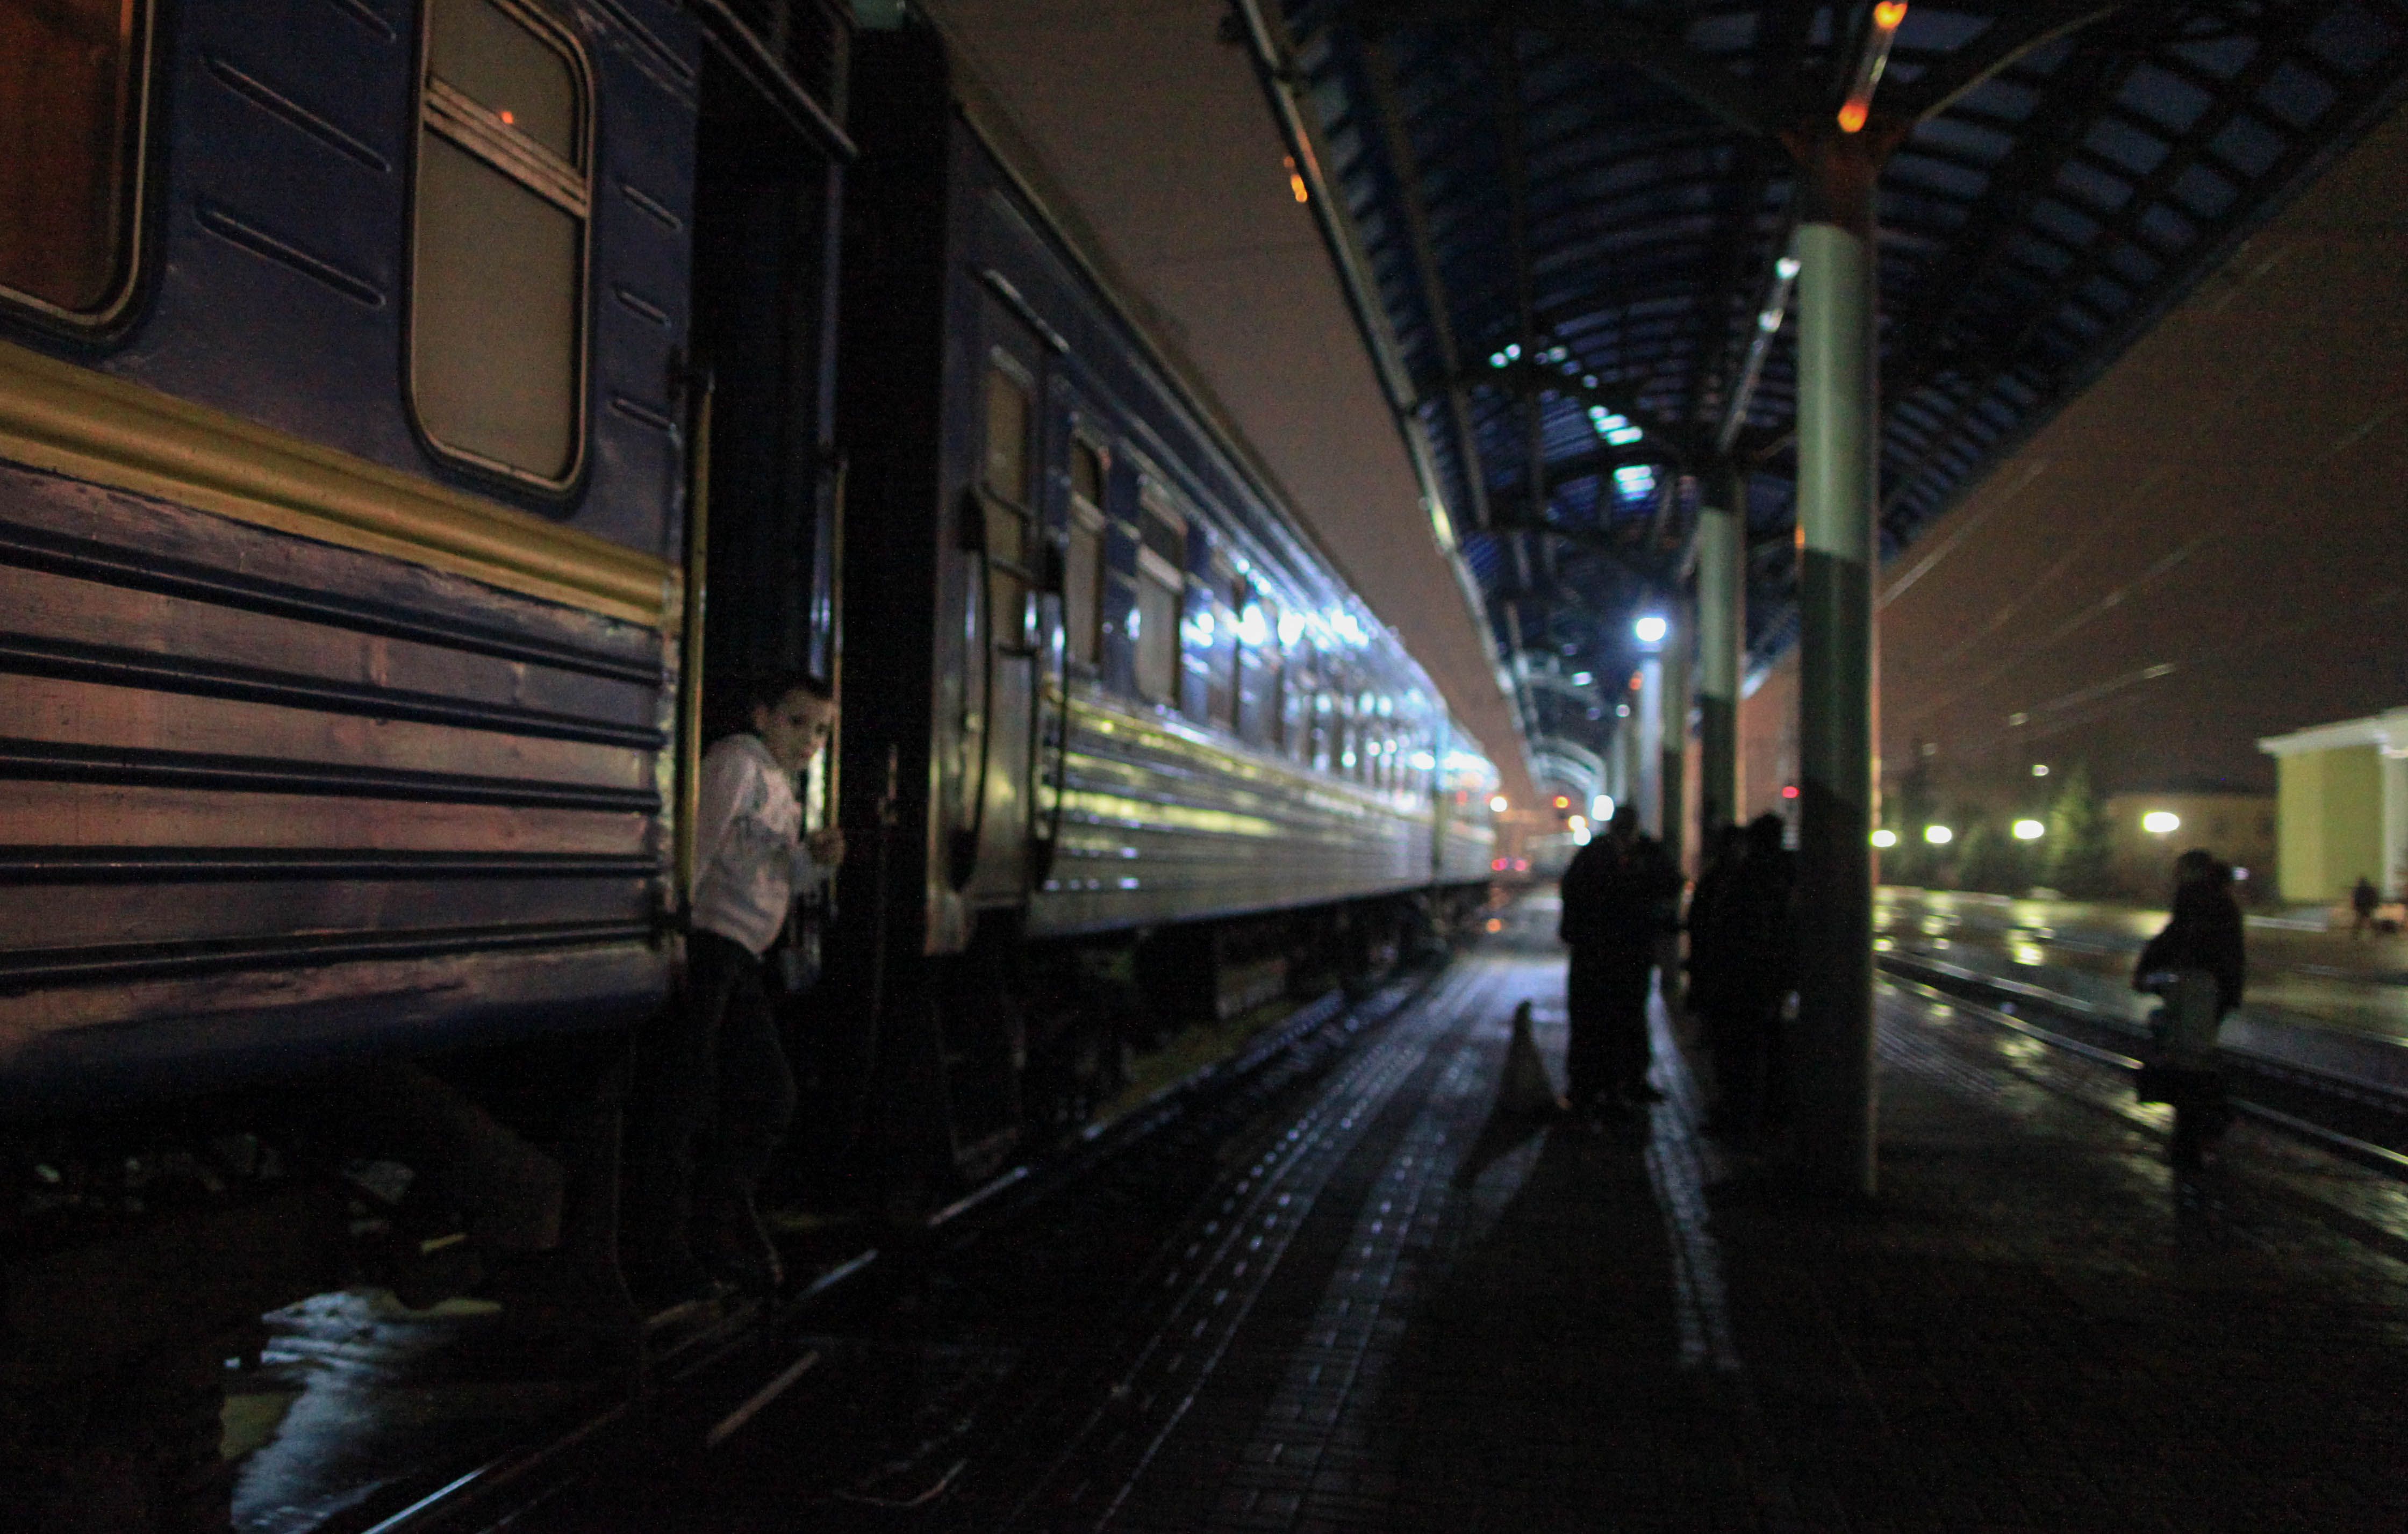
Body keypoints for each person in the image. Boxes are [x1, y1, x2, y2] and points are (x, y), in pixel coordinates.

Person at [622, 673, 844, 1307]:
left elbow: (771, 875)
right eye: (797, 722)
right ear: (761, 714)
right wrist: (677, 929)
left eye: (820, 731)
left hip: (740, 956)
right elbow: (695, 844)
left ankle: (708, 1230)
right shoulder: (737, 764)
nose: (810, 741)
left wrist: (815, 861)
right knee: (691, 1098)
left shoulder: (781, 786)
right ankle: (672, 1247)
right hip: (711, 947)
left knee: (752, 1095)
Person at [1558, 806, 1681, 1115]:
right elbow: (1671, 885)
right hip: (1628, 954)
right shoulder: (1644, 855)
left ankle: (1591, 1086)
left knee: (1593, 1020)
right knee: (1626, 1018)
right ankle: (1621, 1083)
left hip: (1596, 955)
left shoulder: (1593, 855)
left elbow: (1572, 894)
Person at [2133, 849, 2245, 1170]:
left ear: (2194, 871)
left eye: (2180, 871)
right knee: (2191, 1060)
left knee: (2190, 1063)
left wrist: (2146, 969)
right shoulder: (2216, 898)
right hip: (2211, 989)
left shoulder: (2201, 899)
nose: (2176, 876)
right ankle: (2194, 1135)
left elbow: (2178, 937)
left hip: (2201, 988)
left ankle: (2198, 1135)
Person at [2352, 874, 2380, 938]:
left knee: (2359, 921)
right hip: (2368, 907)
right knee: (2371, 920)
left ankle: (2355, 935)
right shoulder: (2370, 888)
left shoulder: (2359, 889)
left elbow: (2357, 898)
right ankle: (2377, 933)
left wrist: (2355, 906)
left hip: (2361, 907)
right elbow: (2374, 897)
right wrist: (2374, 905)